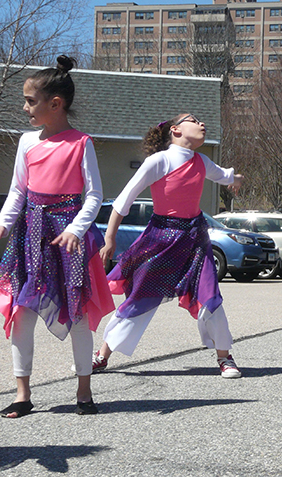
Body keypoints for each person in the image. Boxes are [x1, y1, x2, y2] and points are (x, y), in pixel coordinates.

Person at [0, 56, 115, 418]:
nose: (24, 107)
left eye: (29, 100)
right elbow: (18, 191)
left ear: (55, 104)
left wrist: (75, 228)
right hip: (31, 236)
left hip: (66, 238)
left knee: (75, 312)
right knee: (21, 310)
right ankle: (22, 393)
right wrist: (3, 224)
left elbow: (94, 196)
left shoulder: (80, 143)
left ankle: (84, 392)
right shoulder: (26, 142)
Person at [93, 113, 244, 379]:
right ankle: (102, 355)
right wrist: (110, 238)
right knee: (140, 297)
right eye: (194, 120)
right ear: (175, 130)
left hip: (195, 239)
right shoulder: (159, 160)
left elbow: (224, 176)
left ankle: (225, 356)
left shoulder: (201, 161)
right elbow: (123, 201)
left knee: (210, 294)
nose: (202, 124)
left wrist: (236, 180)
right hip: (161, 240)